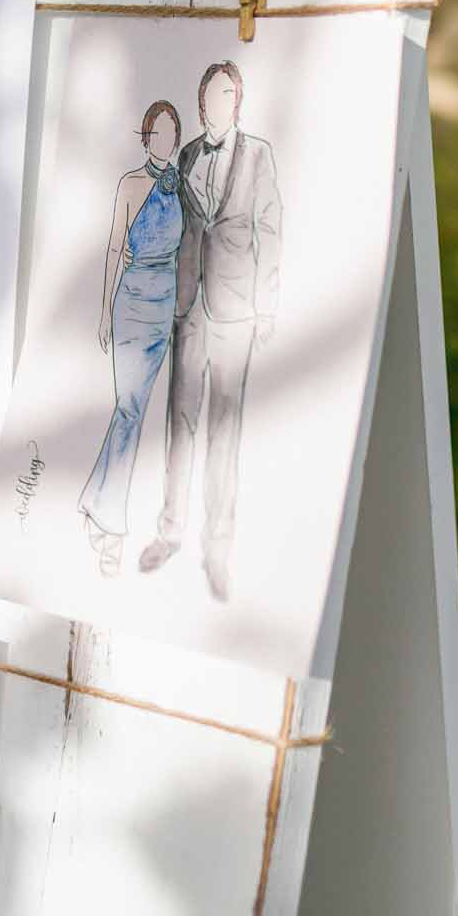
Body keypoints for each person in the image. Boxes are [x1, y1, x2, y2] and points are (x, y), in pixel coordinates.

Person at [141, 59, 280, 603]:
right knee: (179, 424)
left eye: (226, 94)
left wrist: (266, 306)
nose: (217, 103)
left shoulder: (259, 156)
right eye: (210, 95)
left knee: (226, 431)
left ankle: (217, 547)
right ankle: (169, 531)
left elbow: (271, 227)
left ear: (237, 101)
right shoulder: (188, 154)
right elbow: (179, 227)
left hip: (235, 311)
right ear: (201, 103)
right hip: (189, 307)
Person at [78, 100, 184, 576]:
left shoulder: (181, 185)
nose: (165, 141)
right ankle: (111, 526)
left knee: (132, 412)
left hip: (163, 306)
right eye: (158, 133)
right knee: (128, 407)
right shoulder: (130, 184)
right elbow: (114, 246)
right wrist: (103, 311)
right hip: (131, 301)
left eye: (171, 134)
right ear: (146, 137)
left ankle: (98, 506)